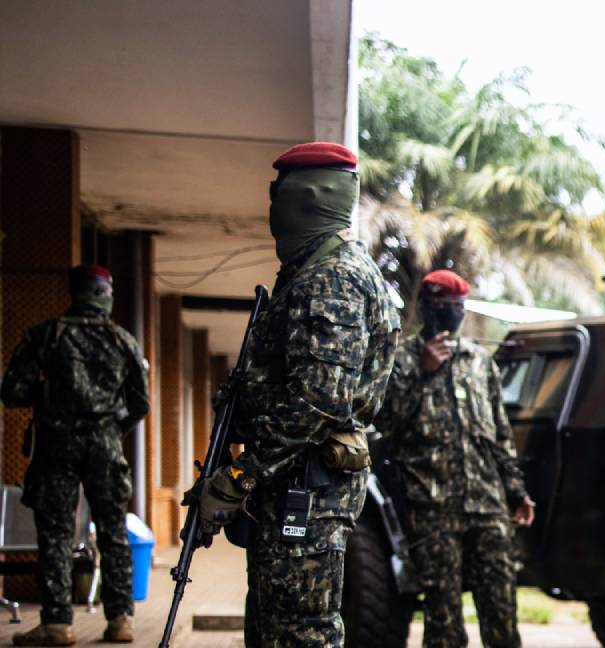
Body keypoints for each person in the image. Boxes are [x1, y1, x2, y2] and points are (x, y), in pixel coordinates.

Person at [189, 142, 400, 647]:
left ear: (306, 199)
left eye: (277, 195)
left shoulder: (333, 279)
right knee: (271, 629)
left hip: (308, 491)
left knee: (301, 634)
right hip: (290, 488)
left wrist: (238, 476)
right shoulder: (309, 274)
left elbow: (318, 400)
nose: (271, 209)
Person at [374, 269, 534, 648]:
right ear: (428, 307)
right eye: (445, 306)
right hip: (432, 508)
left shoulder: (480, 362)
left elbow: (499, 433)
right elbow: (386, 426)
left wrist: (515, 490)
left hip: (487, 503)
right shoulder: (401, 361)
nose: (453, 313)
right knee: (443, 621)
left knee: (502, 614)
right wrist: (423, 376)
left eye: (459, 306)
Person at [3, 264, 148, 646]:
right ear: (106, 294)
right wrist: (111, 428)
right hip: (106, 444)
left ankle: (57, 624)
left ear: (74, 292)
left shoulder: (47, 335)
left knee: (56, 533)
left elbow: (12, 390)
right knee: (114, 532)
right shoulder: (123, 340)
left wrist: (51, 397)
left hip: (57, 442)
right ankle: (120, 621)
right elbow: (141, 402)